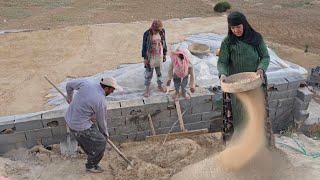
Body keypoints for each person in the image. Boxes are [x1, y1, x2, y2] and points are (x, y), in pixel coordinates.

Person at [217, 11, 274, 146]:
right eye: (233, 28)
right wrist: (223, 73)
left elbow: (265, 57)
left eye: (239, 27)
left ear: (245, 24)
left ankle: (259, 144)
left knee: (255, 113)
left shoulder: (256, 39)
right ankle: (239, 144)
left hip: (254, 83)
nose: (236, 30)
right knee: (239, 113)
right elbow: (222, 62)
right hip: (236, 86)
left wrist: (261, 68)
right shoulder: (228, 42)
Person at [65, 77, 119, 173]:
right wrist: (105, 135)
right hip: (79, 126)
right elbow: (101, 122)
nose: (112, 92)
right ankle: (91, 165)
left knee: (92, 128)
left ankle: (89, 150)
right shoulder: (101, 101)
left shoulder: (87, 83)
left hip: (69, 118)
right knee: (101, 142)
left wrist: (70, 98)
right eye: (112, 90)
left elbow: (69, 85)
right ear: (106, 88)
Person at [142, 19, 168, 97]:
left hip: (159, 55)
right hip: (150, 56)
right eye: (155, 31)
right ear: (152, 28)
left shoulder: (162, 31)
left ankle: (159, 86)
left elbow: (164, 43)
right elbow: (144, 46)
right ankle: (147, 89)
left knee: (159, 73)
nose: (156, 32)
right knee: (149, 73)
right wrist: (145, 59)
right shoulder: (147, 34)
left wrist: (164, 54)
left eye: (158, 31)